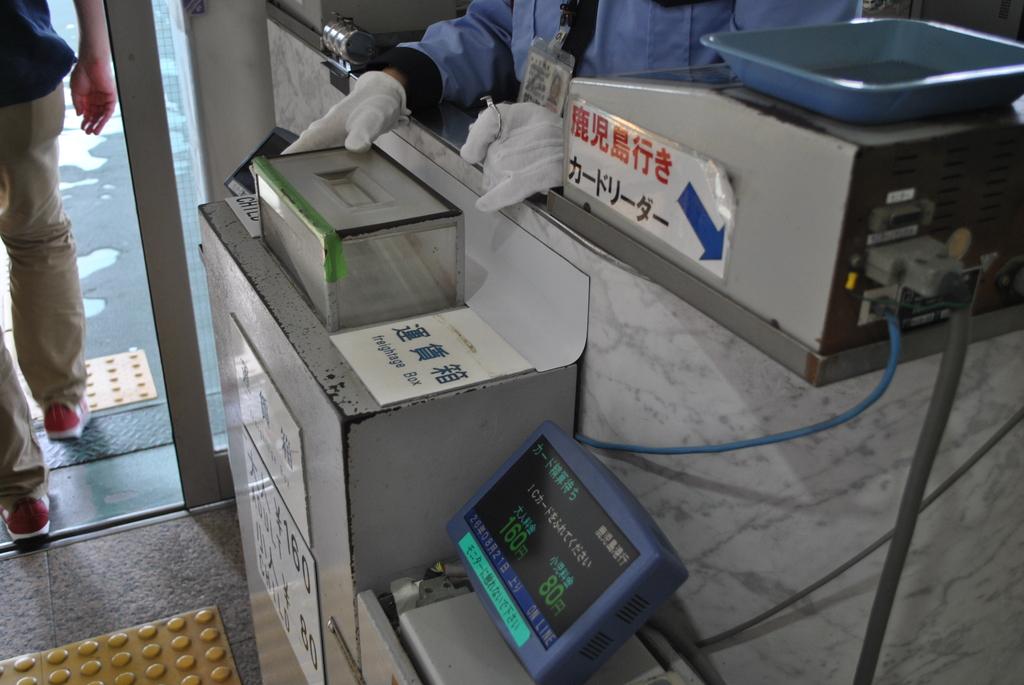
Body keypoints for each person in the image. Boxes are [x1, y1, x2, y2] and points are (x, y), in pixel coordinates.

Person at [286, 0, 859, 210]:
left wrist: (598, 151)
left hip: (677, 254)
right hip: (543, 210)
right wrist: (398, 78)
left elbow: (783, 114)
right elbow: (498, 25)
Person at [0, 0, 117, 540]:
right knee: (38, 241)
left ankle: (20, 492)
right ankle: (62, 402)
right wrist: (96, 53)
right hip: (14, 65)